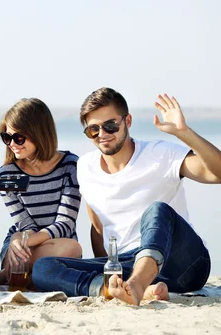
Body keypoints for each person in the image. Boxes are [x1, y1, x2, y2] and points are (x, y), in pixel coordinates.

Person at [32, 88, 221, 306]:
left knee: (157, 210)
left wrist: (184, 133)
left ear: (128, 121)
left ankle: (137, 286)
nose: (102, 134)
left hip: (182, 264)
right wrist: (109, 273)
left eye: (110, 125)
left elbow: (217, 173)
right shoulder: (85, 166)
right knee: (43, 267)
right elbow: (98, 228)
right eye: (93, 129)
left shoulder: (161, 154)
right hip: (126, 265)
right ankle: (113, 290)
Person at [0, 98, 82, 286]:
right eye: (7, 137)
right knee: (23, 257)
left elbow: (65, 223)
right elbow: (24, 224)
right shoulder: (7, 174)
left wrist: (27, 241)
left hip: (57, 245)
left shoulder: (70, 165)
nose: (12, 144)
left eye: (18, 137)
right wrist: (19, 240)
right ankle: (20, 275)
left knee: (72, 248)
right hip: (21, 246)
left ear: (39, 133)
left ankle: (0, 277)